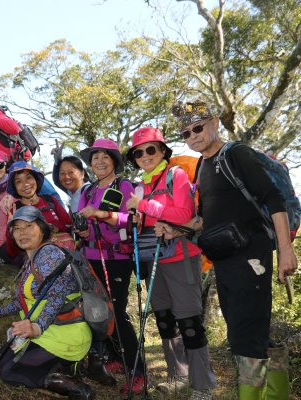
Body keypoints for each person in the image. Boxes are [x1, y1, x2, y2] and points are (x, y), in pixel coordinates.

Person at [162, 101, 298, 399]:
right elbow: (205, 218)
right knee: (252, 332)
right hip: (225, 259)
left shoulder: (236, 153)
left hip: (251, 256)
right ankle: (276, 394)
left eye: (198, 127)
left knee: (244, 336)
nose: (193, 135)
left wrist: (286, 250)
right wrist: (177, 229)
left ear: (215, 124)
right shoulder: (202, 166)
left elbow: (273, 198)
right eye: (186, 133)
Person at [124, 127, 216, 400]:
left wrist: (145, 206)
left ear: (163, 151)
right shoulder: (141, 184)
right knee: (165, 321)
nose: (145, 155)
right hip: (152, 258)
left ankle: (203, 386)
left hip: (181, 257)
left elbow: (184, 213)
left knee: (189, 322)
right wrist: (136, 217)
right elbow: (144, 219)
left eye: (151, 149)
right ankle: (179, 377)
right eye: (139, 152)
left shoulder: (175, 175)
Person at [0, 206, 94, 400]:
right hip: (48, 330)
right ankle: (63, 366)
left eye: (29, 226)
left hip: (65, 331)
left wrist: (36, 327)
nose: (22, 233)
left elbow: (57, 296)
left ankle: (75, 387)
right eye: (17, 229)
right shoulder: (31, 258)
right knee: (2, 362)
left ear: (42, 229)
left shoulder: (50, 255)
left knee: (10, 372)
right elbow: (25, 299)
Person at [74, 138, 146, 394]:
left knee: (115, 311)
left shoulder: (124, 185)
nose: (99, 161)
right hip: (91, 258)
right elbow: (83, 221)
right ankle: (116, 356)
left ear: (114, 161)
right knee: (97, 311)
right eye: (95, 158)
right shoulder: (88, 191)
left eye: (105, 157)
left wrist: (103, 215)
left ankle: (139, 371)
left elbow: (132, 218)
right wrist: (82, 231)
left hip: (116, 259)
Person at [0, 161, 73, 263]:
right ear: (15, 188)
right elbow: (12, 251)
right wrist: (11, 231)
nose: (25, 184)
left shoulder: (50, 200)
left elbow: (68, 225)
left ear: (36, 179)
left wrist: (55, 228)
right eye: (18, 182)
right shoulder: (15, 210)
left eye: (29, 177)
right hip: (36, 261)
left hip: (65, 255)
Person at [51, 140, 91, 213]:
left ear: (82, 174)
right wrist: (57, 163)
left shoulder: (90, 192)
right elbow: (57, 181)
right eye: (62, 173)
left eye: (71, 172)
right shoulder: (72, 191)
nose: (66, 177)